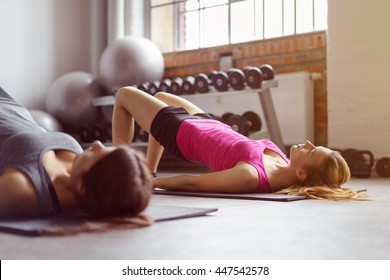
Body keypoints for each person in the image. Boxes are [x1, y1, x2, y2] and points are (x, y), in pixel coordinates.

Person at [112, 86, 363, 200]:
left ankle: (121, 170)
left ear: (301, 172)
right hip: (208, 122)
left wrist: (149, 184)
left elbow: (194, 183)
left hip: (183, 133)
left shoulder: (251, 176)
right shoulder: (283, 160)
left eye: (312, 150)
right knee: (160, 96)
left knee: (123, 95)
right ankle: (149, 167)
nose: (308, 142)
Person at [0, 87, 152, 219]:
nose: (97, 144)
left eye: (97, 155)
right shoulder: (78, 165)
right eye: (107, 148)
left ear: (82, 187)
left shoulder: (22, 188)